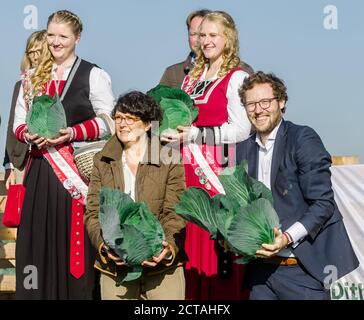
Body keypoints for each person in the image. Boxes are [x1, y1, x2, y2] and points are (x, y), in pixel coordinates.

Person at [13, 10, 114, 299]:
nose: (56, 42)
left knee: (72, 247)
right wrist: (27, 134)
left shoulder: (93, 74)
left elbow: (109, 121)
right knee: (35, 245)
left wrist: (72, 133)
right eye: (51, 35)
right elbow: (19, 121)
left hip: (76, 174)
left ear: (77, 38)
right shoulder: (31, 77)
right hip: (39, 170)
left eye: (63, 36)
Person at [236, 71, 359, 299]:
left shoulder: (302, 138)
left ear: (281, 102)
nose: (258, 109)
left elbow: (323, 204)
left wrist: (286, 238)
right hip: (261, 274)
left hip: (302, 270)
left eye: (265, 101)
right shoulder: (241, 150)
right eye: (251, 103)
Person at [161, 11, 251, 300]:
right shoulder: (192, 77)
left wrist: (195, 134)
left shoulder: (237, 77)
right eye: (202, 35)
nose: (206, 41)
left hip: (217, 175)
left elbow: (240, 130)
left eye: (213, 35)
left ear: (228, 39)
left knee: (218, 257)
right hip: (186, 174)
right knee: (191, 257)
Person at [85, 91, 186, 300]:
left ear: (148, 124)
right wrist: (104, 248)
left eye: (131, 119)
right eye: (119, 118)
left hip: (161, 269)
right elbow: (93, 212)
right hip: (116, 267)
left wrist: (167, 248)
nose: (123, 124)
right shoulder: (102, 161)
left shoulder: (170, 158)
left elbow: (175, 211)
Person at [160, 9, 253, 89]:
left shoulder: (241, 71)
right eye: (194, 34)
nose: (203, 40)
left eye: (212, 34)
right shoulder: (172, 73)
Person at [3, 30, 47, 189]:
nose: (35, 56)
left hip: (51, 157)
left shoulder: (57, 82)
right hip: (23, 159)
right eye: (31, 52)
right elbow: (11, 126)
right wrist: (9, 165)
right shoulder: (21, 84)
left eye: (39, 51)